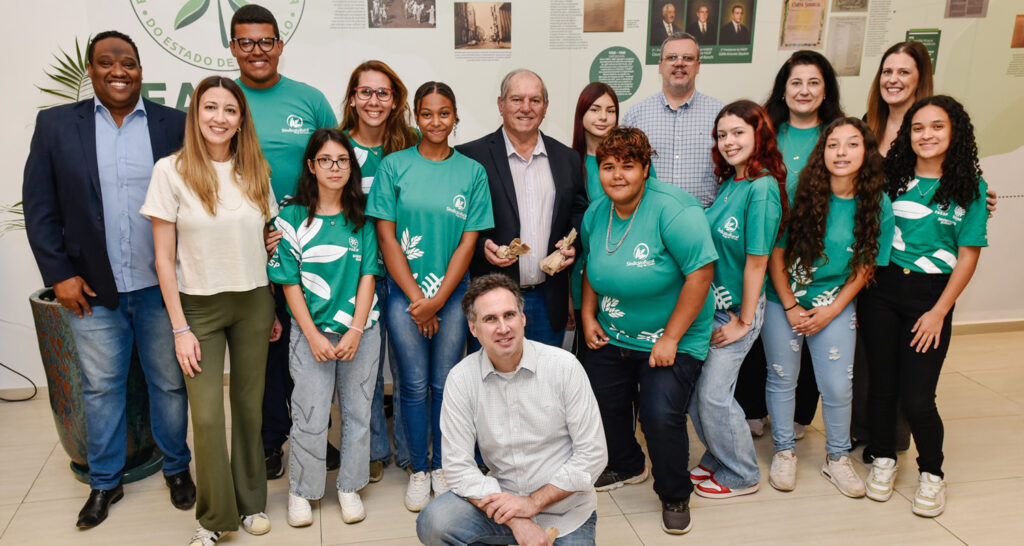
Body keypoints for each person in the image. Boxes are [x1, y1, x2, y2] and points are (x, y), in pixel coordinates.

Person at [22, 30, 194, 529]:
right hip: (92, 291)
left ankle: (177, 470)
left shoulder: (173, 125)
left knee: (168, 383)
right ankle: (104, 483)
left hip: (162, 289)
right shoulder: (55, 126)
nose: (118, 70)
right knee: (101, 388)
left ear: (141, 70)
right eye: (106, 62)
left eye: (128, 62)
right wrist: (60, 276)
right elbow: (40, 208)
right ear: (92, 71)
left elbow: (196, 202)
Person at [142, 76, 278, 546]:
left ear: (242, 121)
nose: (219, 118)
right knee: (204, 416)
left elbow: (264, 241)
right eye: (210, 108)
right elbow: (163, 257)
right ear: (195, 116)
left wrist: (273, 308)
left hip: (255, 302)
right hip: (197, 308)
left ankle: (252, 503)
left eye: (230, 110)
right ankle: (214, 517)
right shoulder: (170, 170)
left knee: (248, 408)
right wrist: (179, 327)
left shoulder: (255, 170)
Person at [580, 127, 717, 534]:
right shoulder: (596, 212)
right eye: (608, 167)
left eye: (627, 166)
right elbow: (592, 267)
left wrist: (671, 337)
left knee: (659, 414)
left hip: (674, 336)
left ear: (645, 168)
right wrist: (588, 316)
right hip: (614, 331)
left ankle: (674, 492)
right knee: (601, 401)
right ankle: (626, 464)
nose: (617, 175)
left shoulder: (674, 209)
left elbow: (701, 274)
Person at [367, 82, 494, 512]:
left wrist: (438, 300)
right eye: (426, 113)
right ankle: (418, 469)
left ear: (455, 116)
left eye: (444, 113)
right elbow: (386, 236)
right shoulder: (393, 166)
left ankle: (443, 466)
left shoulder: (472, 172)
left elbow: (468, 243)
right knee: (414, 385)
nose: (435, 122)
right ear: (415, 118)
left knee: (445, 385)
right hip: (404, 295)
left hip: (453, 296)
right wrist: (418, 298)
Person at [860, 96, 989, 517]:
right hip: (881, 291)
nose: (926, 135)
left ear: (955, 133)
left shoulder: (970, 188)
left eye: (936, 127)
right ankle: (882, 459)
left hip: (931, 299)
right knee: (881, 387)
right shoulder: (890, 178)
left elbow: (968, 255)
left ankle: (932, 474)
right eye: (917, 128)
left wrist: (939, 311)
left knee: (918, 397)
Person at [228, 3, 341, 480]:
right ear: (233, 47)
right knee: (268, 348)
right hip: (241, 244)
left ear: (280, 45)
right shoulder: (221, 99)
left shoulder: (309, 99)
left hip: (308, 244)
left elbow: (337, 158)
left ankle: (313, 434)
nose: (258, 51)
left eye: (266, 41)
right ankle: (271, 439)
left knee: (309, 339)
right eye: (246, 42)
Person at [415, 274, 608, 545]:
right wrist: (517, 518)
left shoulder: (564, 367)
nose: (503, 327)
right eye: (490, 319)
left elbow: (593, 455)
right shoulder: (461, 379)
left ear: (523, 318)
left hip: (566, 512)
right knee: (435, 522)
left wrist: (532, 503)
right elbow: (458, 467)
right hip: (501, 508)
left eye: (509, 315)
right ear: (473, 328)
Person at [761, 117, 894, 499]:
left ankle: (836, 458)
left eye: (852, 144)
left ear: (866, 152)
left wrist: (833, 310)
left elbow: (867, 264)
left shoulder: (877, 201)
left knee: (837, 385)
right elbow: (775, 252)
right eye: (834, 144)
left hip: (833, 304)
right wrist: (789, 306)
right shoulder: (800, 189)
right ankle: (784, 450)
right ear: (823, 151)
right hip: (783, 299)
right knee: (782, 378)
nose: (842, 152)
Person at [268, 129, 383, 527]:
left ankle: (349, 487)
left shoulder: (364, 218)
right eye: (326, 160)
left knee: (357, 413)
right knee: (310, 414)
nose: (335, 168)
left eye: (343, 160)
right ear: (311, 166)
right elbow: (288, 282)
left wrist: (354, 330)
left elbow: (369, 275)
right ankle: (302, 491)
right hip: (309, 333)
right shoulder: (291, 218)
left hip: (361, 332)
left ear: (351, 167)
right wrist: (313, 335)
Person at [735, 50, 844, 439]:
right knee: (761, 335)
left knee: (811, 332)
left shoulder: (838, 134)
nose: (804, 90)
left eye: (814, 82)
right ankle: (753, 408)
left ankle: (799, 415)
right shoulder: (764, 133)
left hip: (820, 259)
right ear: (783, 89)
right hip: (765, 251)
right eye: (796, 82)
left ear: (826, 89)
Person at [689, 100, 785, 499]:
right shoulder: (732, 182)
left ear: (759, 134)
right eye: (722, 135)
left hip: (737, 311)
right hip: (712, 307)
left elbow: (756, 263)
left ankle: (743, 472)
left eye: (738, 133)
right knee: (698, 394)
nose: (728, 142)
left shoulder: (762, 189)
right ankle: (719, 456)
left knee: (714, 395)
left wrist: (744, 321)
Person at [457, 69, 587, 347]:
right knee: (491, 383)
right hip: (491, 298)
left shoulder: (567, 158)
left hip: (547, 298)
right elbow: (456, 220)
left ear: (545, 107)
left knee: (543, 383)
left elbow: (580, 214)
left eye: (535, 100)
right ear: (501, 104)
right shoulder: (470, 157)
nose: (526, 108)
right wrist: (482, 247)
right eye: (517, 99)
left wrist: (576, 246)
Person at [339, 59, 419, 482]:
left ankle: (410, 449)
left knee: (408, 367)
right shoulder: (336, 147)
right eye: (365, 91)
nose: (373, 100)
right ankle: (370, 449)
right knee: (363, 372)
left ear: (395, 100)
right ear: (353, 98)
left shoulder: (413, 145)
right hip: (356, 277)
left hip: (406, 274)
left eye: (382, 92)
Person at [622, 33, 723, 207]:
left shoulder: (719, 114)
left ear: (698, 66)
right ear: (660, 66)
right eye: (672, 57)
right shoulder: (636, 115)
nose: (679, 63)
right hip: (650, 221)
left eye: (688, 58)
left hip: (703, 219)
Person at [865, 41, 933, 157]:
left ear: (920, 79)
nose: (892, 80)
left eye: (903, 72)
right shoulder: (868, 121)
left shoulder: (930, 131)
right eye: (887, 72)